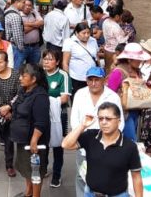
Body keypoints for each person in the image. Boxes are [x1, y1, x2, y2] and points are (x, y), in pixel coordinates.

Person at [62, 102, 143, 197]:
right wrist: (82, 126)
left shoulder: (129, 146)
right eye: (100, 119)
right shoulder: (91, 136)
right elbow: (65, 144)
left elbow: (136, 177)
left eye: (108, 119)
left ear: (119, 121)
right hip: (90, 194)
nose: (104, 122)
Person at [69, 66, 124, 197]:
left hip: (106, 145)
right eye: (90, 79)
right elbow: (74, 120)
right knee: (81, 175)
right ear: (86, 80)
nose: (93, 83)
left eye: (97, 80)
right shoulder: (80, 94)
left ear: (104, 80)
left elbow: (119, 122)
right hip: (84, 143)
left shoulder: (113, 96)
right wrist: (81, 137)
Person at [10, 63, 52, 197]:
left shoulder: (40, 96)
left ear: (34, 79)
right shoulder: (24, 90)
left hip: (34, 141)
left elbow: (41, 122)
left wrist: (34, 140)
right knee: (26, 169)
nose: (20, 78)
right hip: (23, 139)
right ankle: (28, 192)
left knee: (35, 172)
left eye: (24, 76)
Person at [106, 42, 150, 141]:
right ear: (129, 59)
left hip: (136, 111)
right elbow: (109, 93)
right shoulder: (118, 72)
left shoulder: (138, 71)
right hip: (123, 113)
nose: (140, 61)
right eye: (138, 59)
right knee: (131, 140)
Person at [41, 50, 70, 187]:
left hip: (60, 114)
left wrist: (46, 100)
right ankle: (44, 168)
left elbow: (64, 98)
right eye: (44, 59)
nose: (46, 62)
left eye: (50, 59)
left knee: (58, 145)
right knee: (44, 141)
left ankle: (57, 175)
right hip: (43, 113)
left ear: (57, 62)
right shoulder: (40, 74)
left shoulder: (62, 75)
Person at [62, 23, 100, 94]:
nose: (87, 35)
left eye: (88, 33)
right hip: (77, 78)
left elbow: (96, 57)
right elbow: (65, 63)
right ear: (76, 33)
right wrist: (68, 81)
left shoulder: (93, 41)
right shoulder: (69, 42)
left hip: (92, 77)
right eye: (84, 33)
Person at [18, 0, 44, 68]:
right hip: (23, 47)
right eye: (25, 5)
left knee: (34, 68)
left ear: (32, 6)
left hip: (35, 47)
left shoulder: (34, 13)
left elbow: (41, 23)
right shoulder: (18, 15)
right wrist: (36, 25)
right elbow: (24, 30)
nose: (27, 7)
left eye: (29, 5)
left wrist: (27, 24)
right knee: (19, 67)